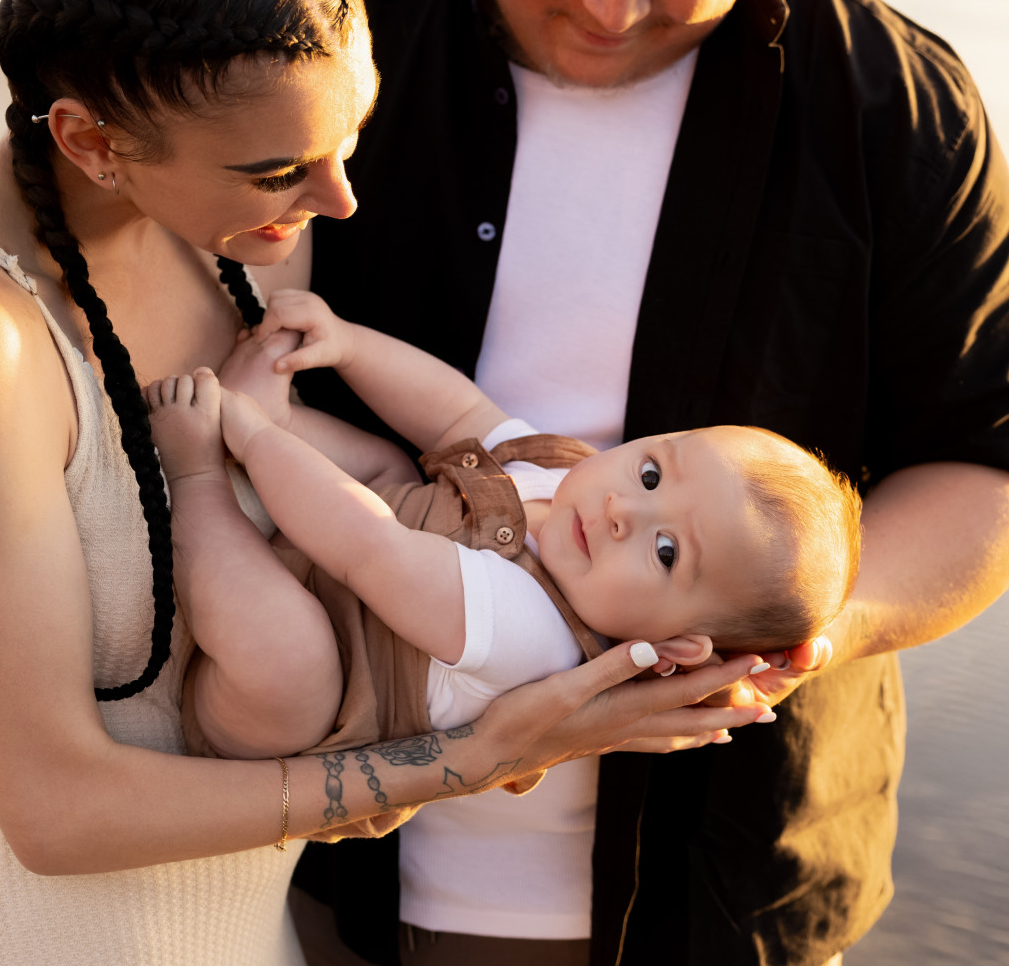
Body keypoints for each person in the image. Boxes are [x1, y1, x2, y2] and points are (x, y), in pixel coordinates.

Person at [0, 0, 1009, 962]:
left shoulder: (895, 105)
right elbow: (60, 266)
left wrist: (781, 635)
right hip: (334, 877)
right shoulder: (314, 30)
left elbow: (1000, 463)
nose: (616, 5)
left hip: (713, 888)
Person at [0, 0, 761, 966]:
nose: (338, 197)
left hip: (248, 929)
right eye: (284, 169)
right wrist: (472, 755)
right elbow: (56, 812)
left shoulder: (235, 219)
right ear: (91, 140)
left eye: (349, 137)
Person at [144, 289, 862, 766]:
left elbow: (366, 546)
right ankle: (278, 417)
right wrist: (348, 344)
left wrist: (244, 436)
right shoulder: (566, 474)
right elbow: (459, 414)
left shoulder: (539, 637)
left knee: (291, 658)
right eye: (650, 475)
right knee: (392, 459)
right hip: (330, 541)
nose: (623, 512)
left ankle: (198, 480)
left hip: (289, 696)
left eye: (666, 550)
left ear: (673, 646)